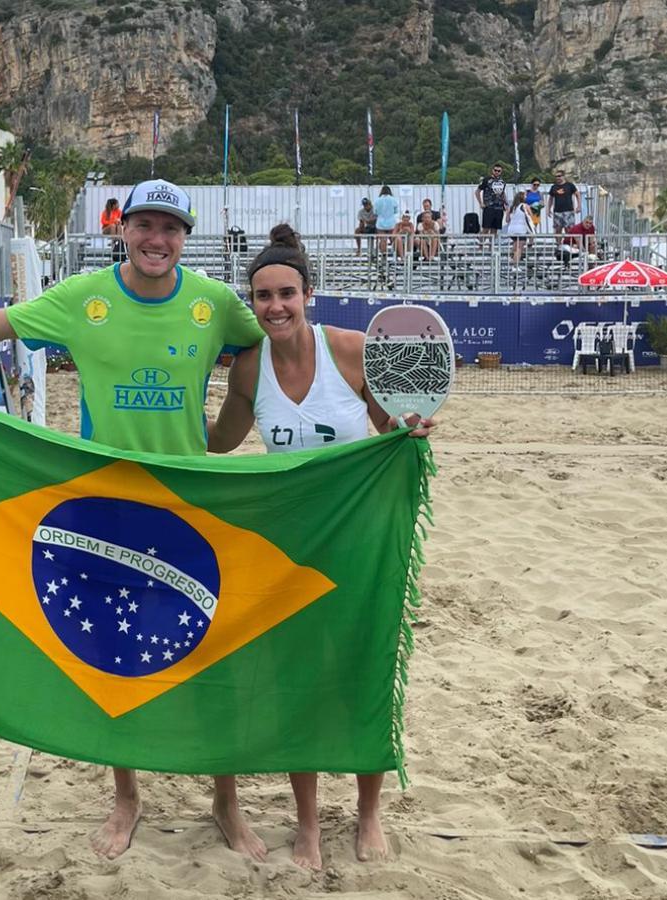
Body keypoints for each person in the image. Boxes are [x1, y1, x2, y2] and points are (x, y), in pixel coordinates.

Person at [0, 179, 270, 861]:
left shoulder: (213, 303)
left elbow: (262, 345)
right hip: (106, 507)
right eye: (144, 226)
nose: (156, 239)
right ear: (121, 231)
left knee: (209, 654)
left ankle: (226, 800)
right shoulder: (84, 299)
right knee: (110, 658)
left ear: (185, 237)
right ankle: (125, 797)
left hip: (193, 504)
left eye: (170, 228)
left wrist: (227, 427)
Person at [205, 224, 434, 869]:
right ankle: (307, 825)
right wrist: (167, 415)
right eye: (262, 297)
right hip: (288, 549)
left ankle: (368, 815)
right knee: (297, 684)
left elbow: (395, 428)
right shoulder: (249, 366)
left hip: (359, 540)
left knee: (361, 676)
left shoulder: (354, 350)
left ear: (310, 292)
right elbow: (219, 443)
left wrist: (415, 428)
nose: (274, 306)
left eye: (286, 293)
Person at [474, 163, 508, 235]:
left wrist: (505, 203)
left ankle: (491, 246)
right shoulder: (487, 180)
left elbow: (502, 193)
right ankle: (481, 245)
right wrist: (481, 203)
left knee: (495, 230)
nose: (497, 172)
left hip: (499, 208)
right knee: (486, 228)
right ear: (492, 170)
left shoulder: (502, 181)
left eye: (499, 171)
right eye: (495, 170)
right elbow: (477, 191)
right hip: (489, 207)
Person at [547, 170, 581, 234]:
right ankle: (558, 244)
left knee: (569, 229)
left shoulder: (570, 185)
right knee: (557, 230)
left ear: (563, 176)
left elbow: (577, 194)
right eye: (556, 176)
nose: (557, 178)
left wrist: (579, 206)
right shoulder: (553, 187)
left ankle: (568, 243)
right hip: (557, 211)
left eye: (559, 176)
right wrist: (548, 209)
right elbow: (550, 199)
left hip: (568, 210)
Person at [506, 190, 533, 265]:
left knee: (515, 245)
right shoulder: (525, 206)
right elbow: (531, 216)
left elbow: (507, 220)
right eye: (525, 196)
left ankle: (511, 259)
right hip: (521, 230)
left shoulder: (512, 207)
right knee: (519, 248)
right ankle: (515, 265)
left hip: (511, 229)